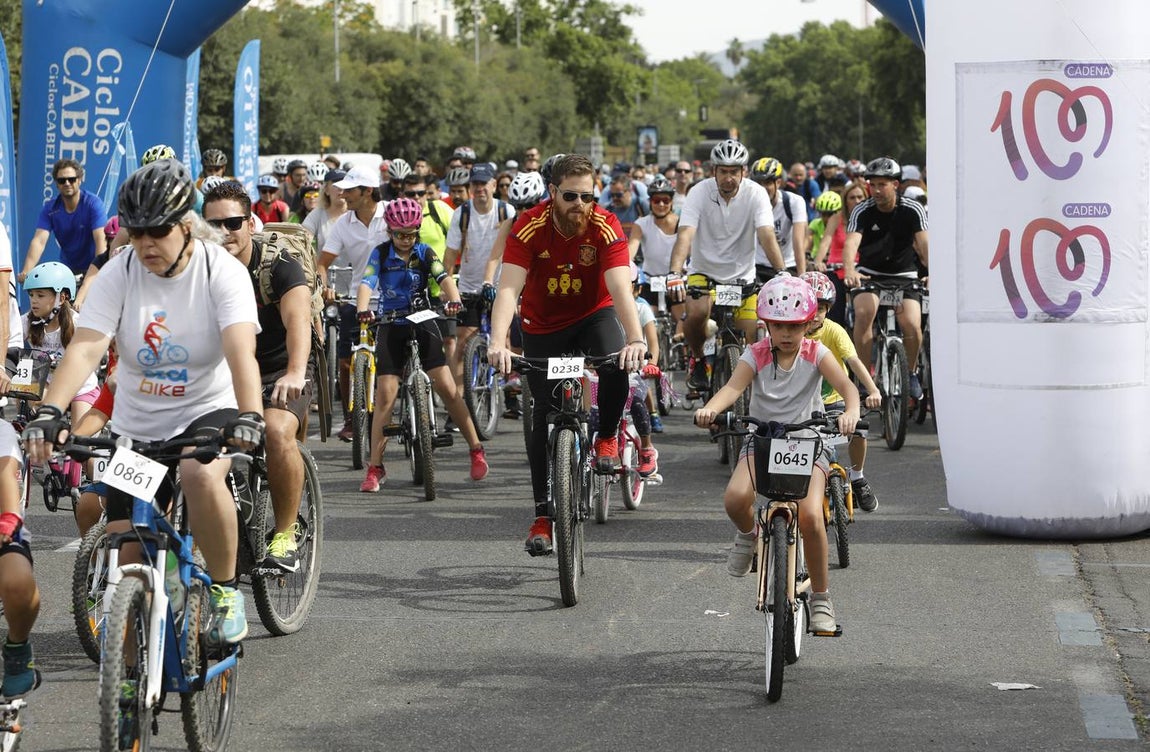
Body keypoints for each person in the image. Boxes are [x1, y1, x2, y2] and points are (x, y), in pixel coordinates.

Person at [22, 158, 264, 646]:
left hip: (206, 408)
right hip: (139, 423)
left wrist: (251, 416)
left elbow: (241, 351)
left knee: (198, 473)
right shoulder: (121, 271)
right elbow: (86, 347)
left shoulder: (221, 271)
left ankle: (224, 591)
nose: (146, 243)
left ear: (187, 225)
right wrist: (49, 411)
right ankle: (130, 679)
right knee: (127, 561)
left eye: (158, 231)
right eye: (136, 232)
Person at [487, 154, 647, 555]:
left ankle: (606, 436)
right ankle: (543, 515)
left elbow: (620, 287)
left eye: (588, 197)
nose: (580, 205)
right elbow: (508, 289)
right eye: (571, 196)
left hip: (594, 314)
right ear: (553, 192)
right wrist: (498, 342)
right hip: (544, 326)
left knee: (614, 363)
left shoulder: (606, 225)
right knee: (543, 414)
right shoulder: (529, 226)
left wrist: (636, 339)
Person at [693, 275, 859, 634]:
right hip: (763, 440)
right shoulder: (755, 354)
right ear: (766, 324)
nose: (786, 333)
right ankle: (749, 535)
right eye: (779, 326)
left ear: (808, 324)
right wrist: (710, 409)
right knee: (735, 498)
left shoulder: (817, 353)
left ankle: (821, 598)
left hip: (807, 442)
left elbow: (847, 387)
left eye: (795, 326)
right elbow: (733, 387)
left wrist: (850, 412)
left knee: (811, 516)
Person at [202, 181, 315, 572]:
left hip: (281, 367)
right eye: (214, 225)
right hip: (226, 369)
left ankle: (285, 533)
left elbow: (298, 321)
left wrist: (295, 372)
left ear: (251, 224)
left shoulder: (278, 264)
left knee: (276, 431)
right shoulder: (199, 268)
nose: (224, 232)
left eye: (233, 223)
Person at [356, 198, 488, 492]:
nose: (406, 240)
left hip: (423, 318)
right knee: (386, 393)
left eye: (412, 234)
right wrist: (363, 308)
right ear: (389, 232)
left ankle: (476, 449)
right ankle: (375, 467)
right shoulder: (380, 253)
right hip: (391, 322)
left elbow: (443, 277)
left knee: (447, 386)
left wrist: (454, 300)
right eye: (400, 234)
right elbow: (367, 282)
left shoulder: (424, 251)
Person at [666, 139, 783, 392]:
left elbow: (766, 235)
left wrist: (782, 271)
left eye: (734, 172)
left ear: (743, 172)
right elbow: (685, 234)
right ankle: (698, 359)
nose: (728, 178)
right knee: (696, 314)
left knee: (750, 337)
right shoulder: (699, 192)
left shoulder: (756, 193)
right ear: (713, 171)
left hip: (742, 277)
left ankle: (747, 395)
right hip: (704, 273)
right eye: (723, 171)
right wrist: (675, 272)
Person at [842, 157, 929, 398]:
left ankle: (910, 372)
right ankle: (864, 379)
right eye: (873, 184)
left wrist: (932, 273)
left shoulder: (913, 209)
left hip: (905, 275)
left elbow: (925, 244)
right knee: (863, 313)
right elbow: (851, 244)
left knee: (911, 324)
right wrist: (849, 270)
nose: (877, 190)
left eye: (882, 184)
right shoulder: (862, 210)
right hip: (870, 275)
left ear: (896, 185)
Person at [801, 271, 881, 511]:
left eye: (821, 309)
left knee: (859, 429)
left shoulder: (834, 331)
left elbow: (854, 361)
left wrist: (873, 390)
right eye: (810, 308)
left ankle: (858, 477)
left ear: (828, 310)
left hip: (835, 401)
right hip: (803, 404)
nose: (815, 315)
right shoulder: (791, 333)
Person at [319, 166, 388, 441]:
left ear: (367, 191)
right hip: (356, 298)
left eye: (349, 190)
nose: (342, 194)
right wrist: (325, 287)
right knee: (346, 361)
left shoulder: (390, 214)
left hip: (391, 298)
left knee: (392, 359)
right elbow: (322, 264)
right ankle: (351, 418)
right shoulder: (343, 224)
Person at [442, 164, 515, 395]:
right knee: (463, 343)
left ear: (494, 185)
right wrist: (446, 285)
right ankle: (459, 399)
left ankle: (509, 393)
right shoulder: (461, 213)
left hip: (501, 285)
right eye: (475, 184)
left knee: (504, 339)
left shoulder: (507, 211)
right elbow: (451, 253)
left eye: (484, 183)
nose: (480, 188)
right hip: (469, 285)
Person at [21, 262, 100, 430]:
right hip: (47, 385)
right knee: (40, 430)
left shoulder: (77, 322)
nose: (34, 300)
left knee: (80, 437)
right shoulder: (29, 321)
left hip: (80, 387)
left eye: (40, 295)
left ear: (62, 298)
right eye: (31, 294)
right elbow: (8, 338)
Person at [20, 158, 108, 280]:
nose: (67, 183)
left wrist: (98, 274)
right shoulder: (50, 208)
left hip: (93, 268)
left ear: (79, 180)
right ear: (56, 184)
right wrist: (26, 271)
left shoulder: (93, 204)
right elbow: (39, 241)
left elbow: (100, 240)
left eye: (71, 179)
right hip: (67, 271)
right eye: (62, 180)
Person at [750, 157, 807, 279]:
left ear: (778, 183)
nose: (762, 188)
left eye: (768, 183)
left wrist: (802, 276)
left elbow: (798, 242)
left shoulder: (794, 202)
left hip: (788, 266)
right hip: (758, 267)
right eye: (758, 183)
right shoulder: (749, 203)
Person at [302, 169, 347, 254]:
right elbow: (302, 240)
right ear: (326, 190)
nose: (341, 188)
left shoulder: (356, 213)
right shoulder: (317, 214)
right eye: (336, 184)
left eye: (345, 184)